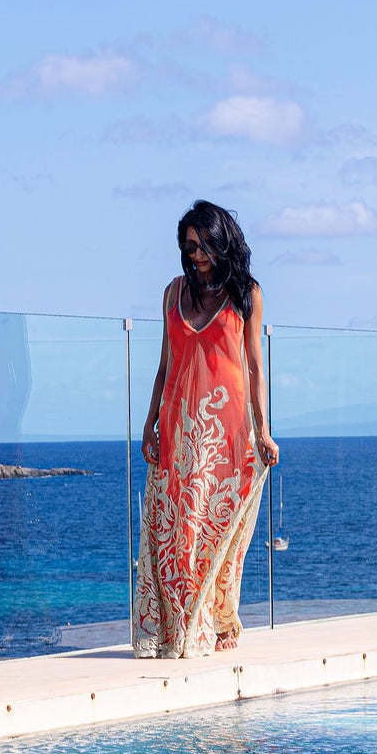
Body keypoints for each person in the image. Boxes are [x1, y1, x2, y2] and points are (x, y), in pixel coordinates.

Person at [132, 202, 279, 659]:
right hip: (179, 427)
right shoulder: (173, 293)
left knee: (218, 531)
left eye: (202, 245)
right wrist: (149, 423)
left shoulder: (246, 294)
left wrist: (263, 431)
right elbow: (165, 364)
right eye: (188, 246)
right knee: (177, 532)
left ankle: (217, 619)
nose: (194, 255)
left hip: (227, 431)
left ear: (222, 240)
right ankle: (178, 627)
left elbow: (254, 367)